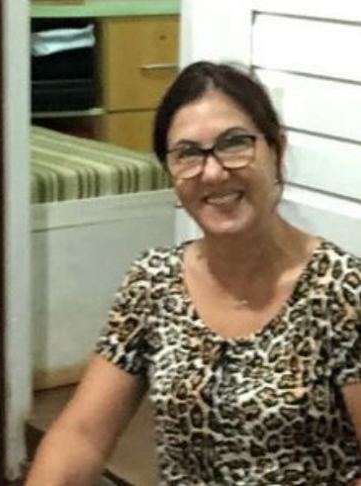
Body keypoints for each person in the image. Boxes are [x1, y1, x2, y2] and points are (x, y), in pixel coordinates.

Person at [24, 61, 361, 485]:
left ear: (276, 149)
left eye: (234, 144)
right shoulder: (154, 281)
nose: (213, 172)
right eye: (188, 154)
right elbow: (82, 435)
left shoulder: (341, 289)